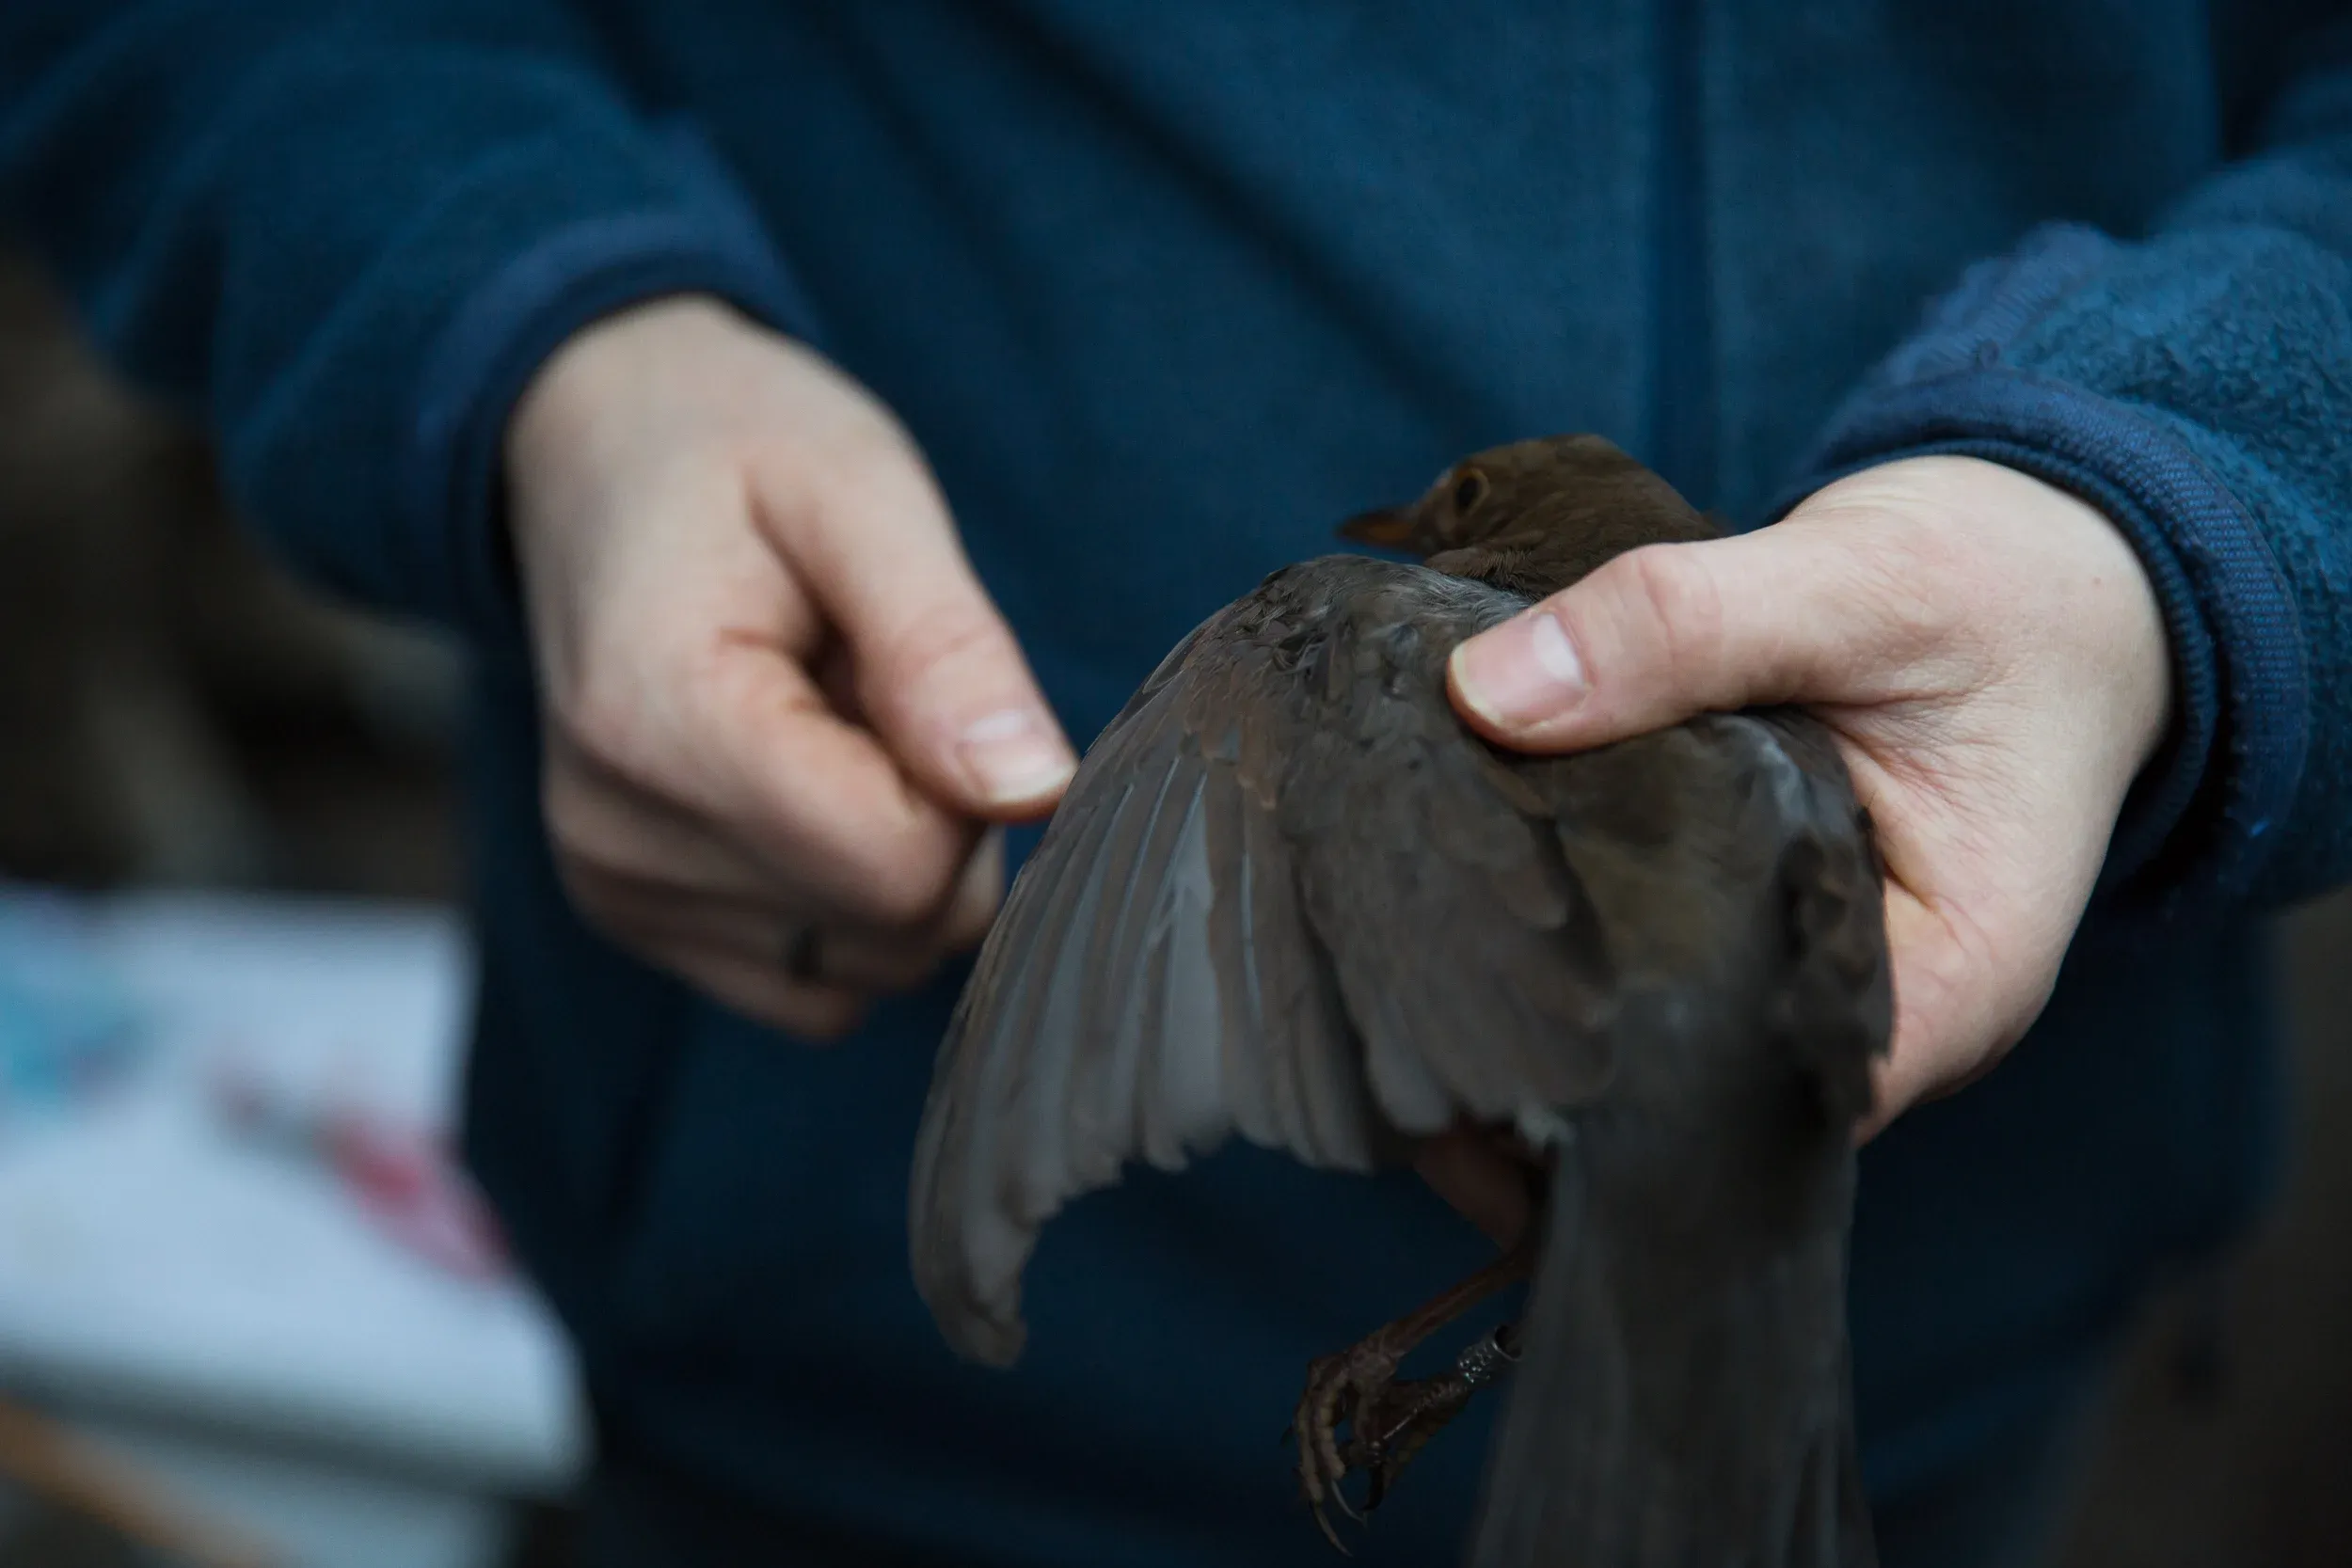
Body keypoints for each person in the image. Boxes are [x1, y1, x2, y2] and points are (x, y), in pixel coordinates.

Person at [4, 5, 2344, 1563]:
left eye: (1436, 533)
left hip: (1935, 1349)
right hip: (828, 1423)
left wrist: (2167, 528)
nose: (1398, 553)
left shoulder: (1336, 641)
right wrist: (535, 331)